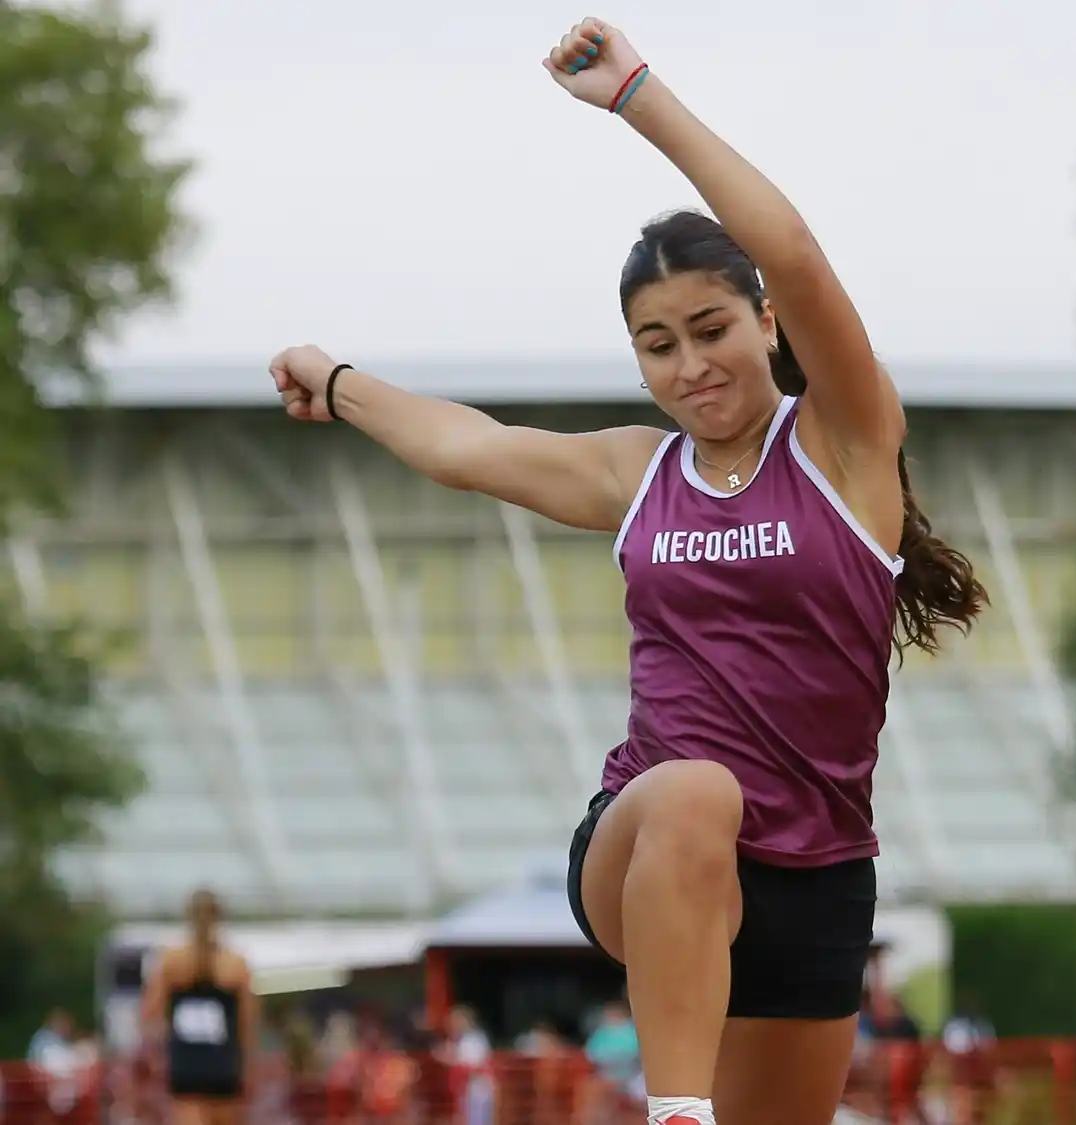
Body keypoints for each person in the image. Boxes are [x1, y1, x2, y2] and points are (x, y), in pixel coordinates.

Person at [266, 17, 986, 1125]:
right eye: (658, 345)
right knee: (701, 788)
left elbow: (790, 248)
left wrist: (637, 96)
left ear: (764, 321)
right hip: (647, 843)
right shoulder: (640, 473)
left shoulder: (846, 444)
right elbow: (470, 450)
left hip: (817, 879)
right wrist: (340, 381)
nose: (691, 367)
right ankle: (674, 1111)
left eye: (710, 329)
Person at [141, 889, 257, 1125]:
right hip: (225, 1068)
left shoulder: (172, 960)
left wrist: (164, 1044)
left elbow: (149, 1015)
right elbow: (248, 1025)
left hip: (186, 1068)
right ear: (220, 918)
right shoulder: (235, 964)